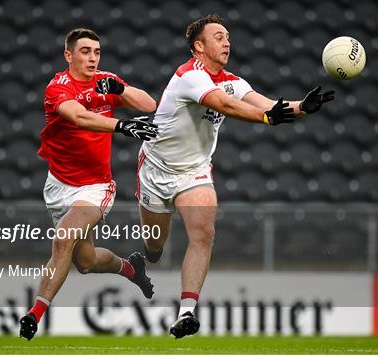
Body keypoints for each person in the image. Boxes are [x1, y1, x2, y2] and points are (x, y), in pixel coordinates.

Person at [136, 15, 335, 338]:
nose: (227, 41)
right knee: (155, 242)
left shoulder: (233, 80)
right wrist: (267, 118)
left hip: (194, 171)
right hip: (156, 169)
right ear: (198, 46)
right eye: (218, 36)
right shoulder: (189, 76)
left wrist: (303, 107)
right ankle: (151, 250)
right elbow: (223, 104)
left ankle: (186, 312)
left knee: (203, 233)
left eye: (228, 36)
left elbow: (268, 105)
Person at [19, 28, 158, 341]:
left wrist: (120, 88)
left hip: (96, 186)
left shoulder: (105, 80)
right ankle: (130, 268)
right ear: (68, 55)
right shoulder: (58, 87)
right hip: (58, 184)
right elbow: (79, 117)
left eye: (96, 51)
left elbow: (149, 105)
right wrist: (121, 125)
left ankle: (34, 314)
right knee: (85, 261)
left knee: (62, 238)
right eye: (85, 51)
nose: (93, 57)